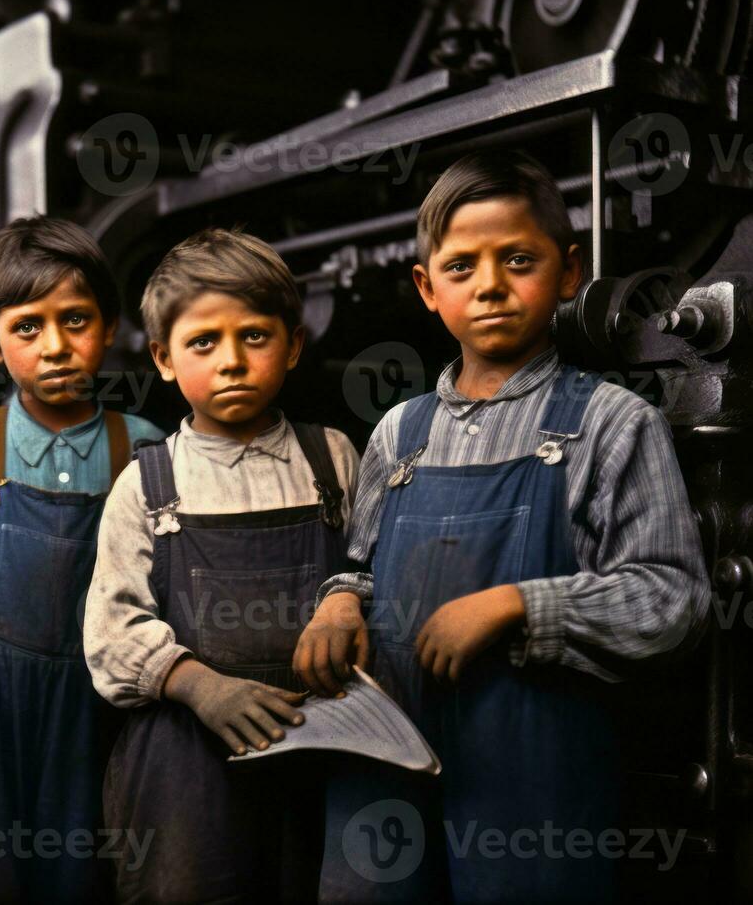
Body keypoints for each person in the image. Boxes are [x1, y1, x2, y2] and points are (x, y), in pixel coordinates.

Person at [302, 150, 712, 902]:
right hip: (383, 772)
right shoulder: (398, 434)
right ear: (427, 288)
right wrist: (336, 602)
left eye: (517, 259)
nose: (489, 284)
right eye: (460, 267)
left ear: (566, 271)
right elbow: (360, 565)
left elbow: (671, 601)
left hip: (530, 784)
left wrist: (514, 604)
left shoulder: (611, 424)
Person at [83, 227, 361, 903]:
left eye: (255, 337)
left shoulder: (331, 458)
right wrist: (201, 687)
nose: (231, 361)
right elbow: (110, 633)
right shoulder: (146, 484)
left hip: (316, 747)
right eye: (203, 343)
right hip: (186, 770)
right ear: (163, 358)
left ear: (293, 344)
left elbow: (376, 563)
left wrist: (346, 596)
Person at [0, 216, 164, 903]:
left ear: (110, 326)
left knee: (86, 875)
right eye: (26, 327)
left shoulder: (144, 448)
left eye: (75, 320)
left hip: (96, 712)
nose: (55, 347)